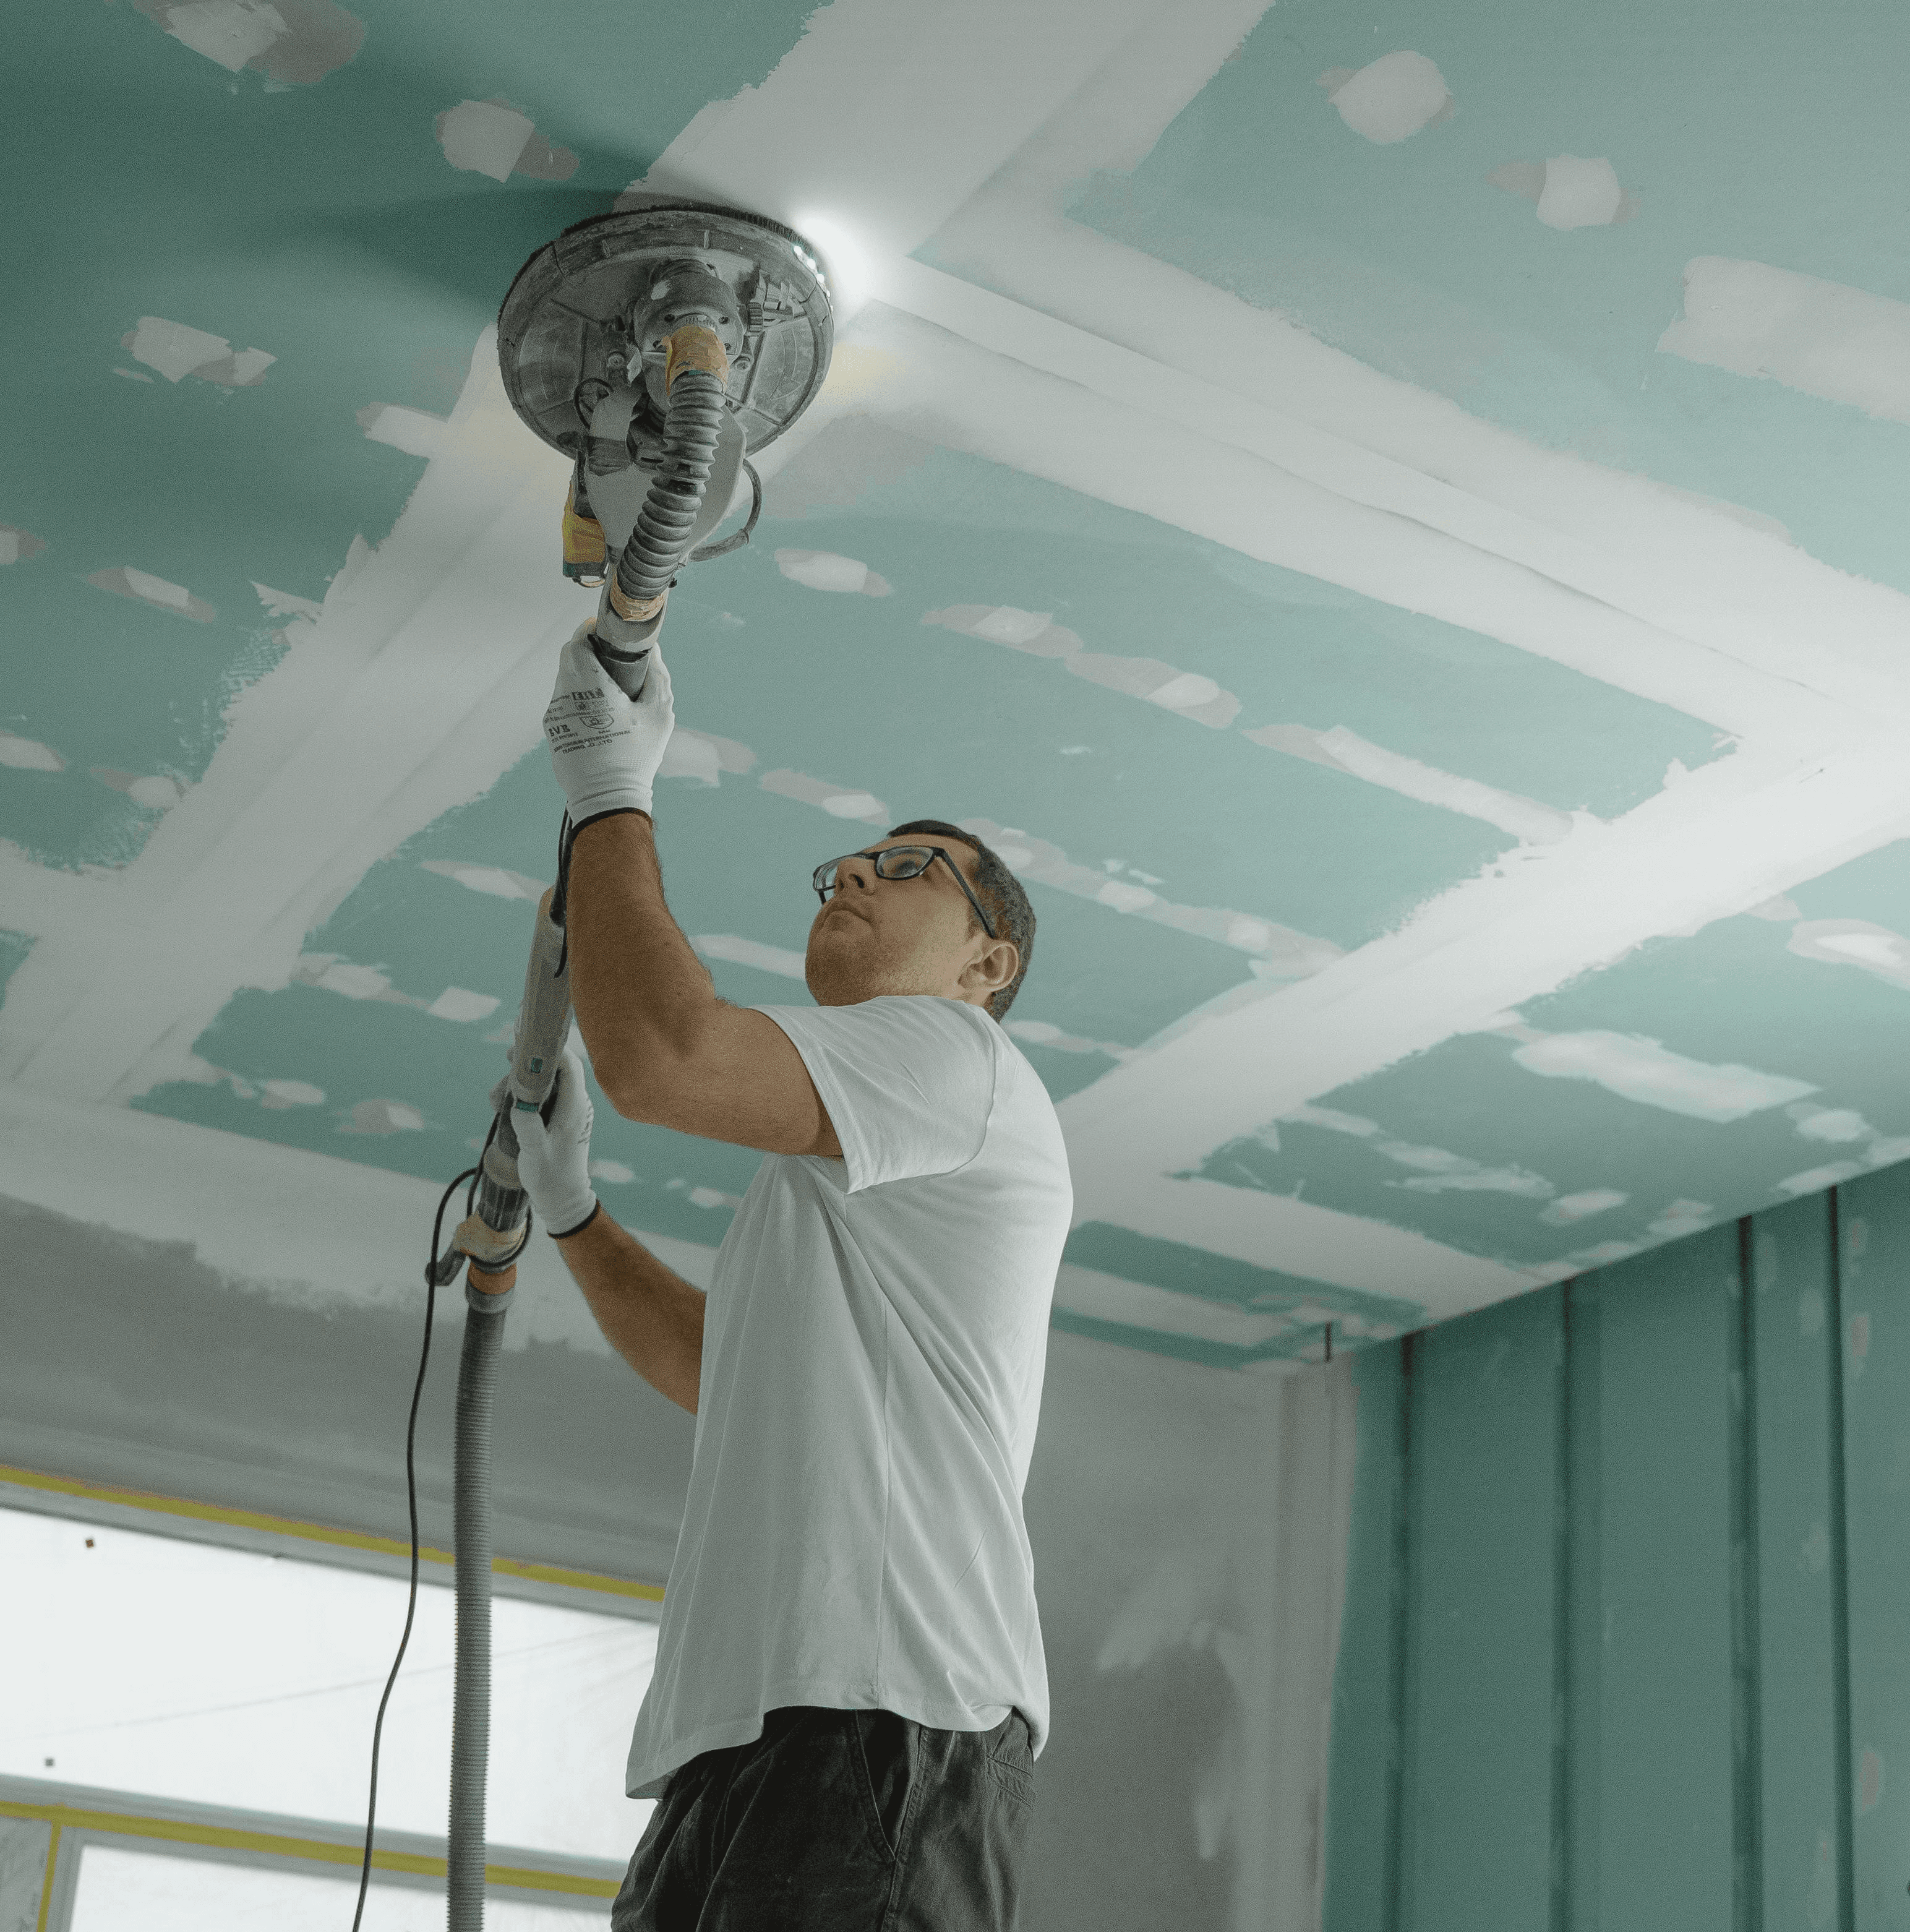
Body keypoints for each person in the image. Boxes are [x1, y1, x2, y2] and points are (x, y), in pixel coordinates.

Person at [510, 624, 1073, 1931]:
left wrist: (610, 794)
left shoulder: (957, 1062)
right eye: (846, 865)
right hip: (749, 1733)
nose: (856, 878)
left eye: (908, 868)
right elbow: (719, 1368)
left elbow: (661, 1054)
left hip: (887, 1710)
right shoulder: (828, 1185)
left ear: (986, 967)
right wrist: (572, 1209)